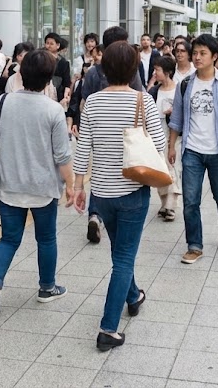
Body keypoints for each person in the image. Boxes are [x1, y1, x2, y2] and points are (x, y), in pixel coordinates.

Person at [73, 42, 165, 351]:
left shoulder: (94, 103)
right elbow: (160, 144)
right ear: (133, 69)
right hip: (133, 190)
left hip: (101, 192)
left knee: (119, 252)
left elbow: (82, 148)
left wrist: (76, 187)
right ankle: (108, 329)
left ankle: (133, 295)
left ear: (104, 68)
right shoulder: (144, 101)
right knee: (123, 257)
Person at [0, 50, 74, 319]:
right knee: (46, 239)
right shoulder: (54, 110)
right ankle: (47, 287)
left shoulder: (4, 102)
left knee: (9, 239)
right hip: (43, 188)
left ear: (20, 73)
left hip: (9, 184)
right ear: (49, 81)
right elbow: (62, 156)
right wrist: (72, 186)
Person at [169, 34, 218, 265]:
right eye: (195, 53)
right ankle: (194, 245)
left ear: (215, 56)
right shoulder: (185, 84)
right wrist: (171, 145)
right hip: (192, 150)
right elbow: (176, 118)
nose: (197, 57)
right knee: (191, 201)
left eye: (203, 53)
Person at [73, 26, 144, 245]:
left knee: (101, 172)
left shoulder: (94, 72)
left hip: (100, 136)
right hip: (128, 147)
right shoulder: (131, 70)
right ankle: (106, 215)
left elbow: (85, 102)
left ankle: (95, 215)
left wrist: (77, 186)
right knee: (124, 252)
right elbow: (141, 100)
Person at [150, 56, 180, 222]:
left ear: (167, 72)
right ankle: (164, 203)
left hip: (173, 132)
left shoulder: (179, 90)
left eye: (158, 70)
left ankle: (170, 206)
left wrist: (174, 111)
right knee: (159, 169)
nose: (155, 73)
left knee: (171, 166)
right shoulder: (154, 91)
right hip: (156, 133)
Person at [45, 32, 71, 102]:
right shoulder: (41, 59)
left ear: (58, 45)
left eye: (51, 44)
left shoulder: (63, 62)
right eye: (47, 43)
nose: (49, 46)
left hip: (58, 93)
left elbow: (66, 81)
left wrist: (66, 96)